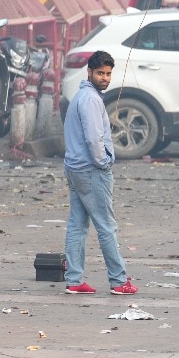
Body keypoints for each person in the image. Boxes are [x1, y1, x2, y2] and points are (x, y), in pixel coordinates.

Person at [62, 50, 138, 296]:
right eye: (100, 73)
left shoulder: (82, 96)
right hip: (91, 170)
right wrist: (104, 163)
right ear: (89, 72)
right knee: (106, 227)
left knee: (77, 225)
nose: (105, 78)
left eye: (108, 73)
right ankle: (118, 281)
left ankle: (74, 280)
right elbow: (94, 139)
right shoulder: (90, 100)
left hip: (75, 169)